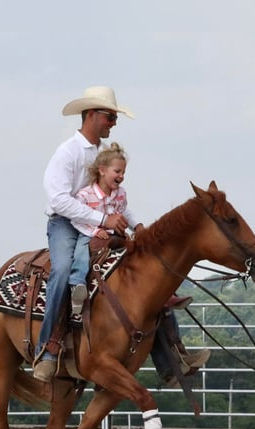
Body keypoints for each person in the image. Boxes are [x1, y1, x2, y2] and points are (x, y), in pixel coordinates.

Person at [33, 86, 209, 383]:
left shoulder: (105, 157)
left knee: (146, 275)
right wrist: (102, 219)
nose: (113, 123)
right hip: (66, 224)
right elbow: (58, 200)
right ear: (92, 115)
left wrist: (135, 225)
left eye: (114, 118)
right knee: (62, 271)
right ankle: (47, 350)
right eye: (110, 117)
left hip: (100, 225)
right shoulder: (68, 152)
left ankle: (171, 356)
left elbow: (116, 200)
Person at [68, 142, 144, 315]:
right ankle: (77, 284)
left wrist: (137, 227)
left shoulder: (120, 193)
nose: (122, 176)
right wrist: (94, 231)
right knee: (81, 251)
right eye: (117, 172)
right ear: (102, 170)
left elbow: (125, 211)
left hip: (115, 234)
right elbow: (76, 220)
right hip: (90, 232)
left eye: (123, 172)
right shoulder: (85, 194)